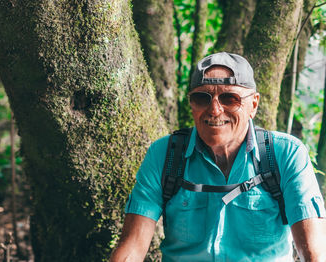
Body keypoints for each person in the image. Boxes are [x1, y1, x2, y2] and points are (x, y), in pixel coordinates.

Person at [110, 52, 326, 261]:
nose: (214, 109)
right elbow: (131, 250)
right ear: (192, 105)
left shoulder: (284, 154)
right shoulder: (165, 155)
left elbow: (314, 253)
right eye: (202, 98)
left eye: (229, 98)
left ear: (254, 104)